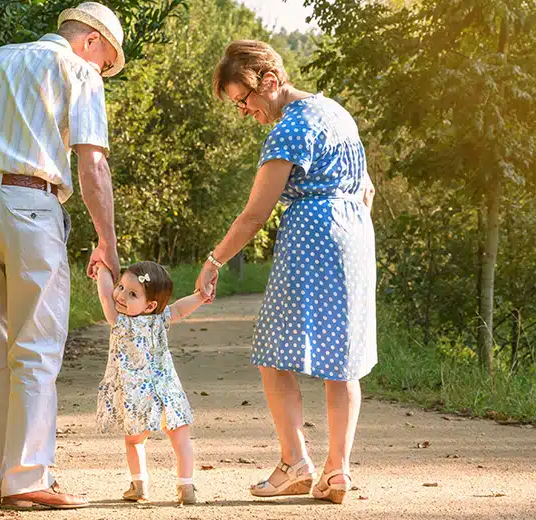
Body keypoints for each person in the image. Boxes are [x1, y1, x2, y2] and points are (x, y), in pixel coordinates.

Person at [0, 2, 125, 510]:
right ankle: (27, 478)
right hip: (29, 204)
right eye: (106, 61)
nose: (103, 70)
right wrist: (106, 242)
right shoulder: (77, 70)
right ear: (90, 42)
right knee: (36, 348)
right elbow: (93, 164)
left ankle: (4, 476)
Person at [197, 40, 377, 505]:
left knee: (273, 353)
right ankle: (337, 472)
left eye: (244, 100)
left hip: (311, 238)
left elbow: (255, 214)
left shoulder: (288, 129)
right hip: (355, 235)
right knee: (344, 359)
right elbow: (368, 188)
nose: (243, 112)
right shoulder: (335, 112)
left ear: (271, 82)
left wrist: (214, 261)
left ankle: (294, 462)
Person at [92, 261, 210, 505]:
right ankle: (185, 486)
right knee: (181, 439)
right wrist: (200, 296)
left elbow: (105, 297)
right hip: (167, 390)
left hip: (138, 396)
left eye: (132, 293)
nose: (121, 296)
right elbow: (179, 309)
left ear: (150, 305)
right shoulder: (159, 318)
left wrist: (102, 269)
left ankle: (139, 485)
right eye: (121, 287)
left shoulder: (120, 321)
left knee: (134, 440)